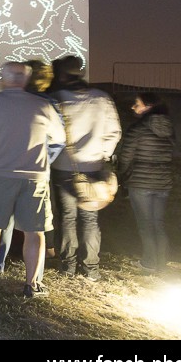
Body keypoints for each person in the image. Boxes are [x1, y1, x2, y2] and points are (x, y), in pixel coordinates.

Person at [0, 62, 64, 297]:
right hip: (34, 177)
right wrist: (43, 161)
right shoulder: (43, 105)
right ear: (26, 80)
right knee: (35, 231)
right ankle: (32, 284)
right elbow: (59, 139)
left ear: (2, 79)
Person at [49, 55, 122, 281]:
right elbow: (114, 132)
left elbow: (51, 134)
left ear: (60, 74)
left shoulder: (57, 98)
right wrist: (103, 154)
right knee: (90, 218)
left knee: (67, 217)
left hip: (64, 166)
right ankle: (91, 267)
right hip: (94, 166)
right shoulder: (101, 98)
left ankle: (68, 265)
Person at [117, 92, 175, 273]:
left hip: (140, 182)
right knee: (158, 223)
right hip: (163, 182)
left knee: (145, 224)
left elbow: (125, 158)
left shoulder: (137, 129)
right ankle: (162, 263)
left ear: (149, 107)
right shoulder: (169, 128)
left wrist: (122, 176)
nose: (133, 107)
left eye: (137, 104)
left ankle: (149, 263)